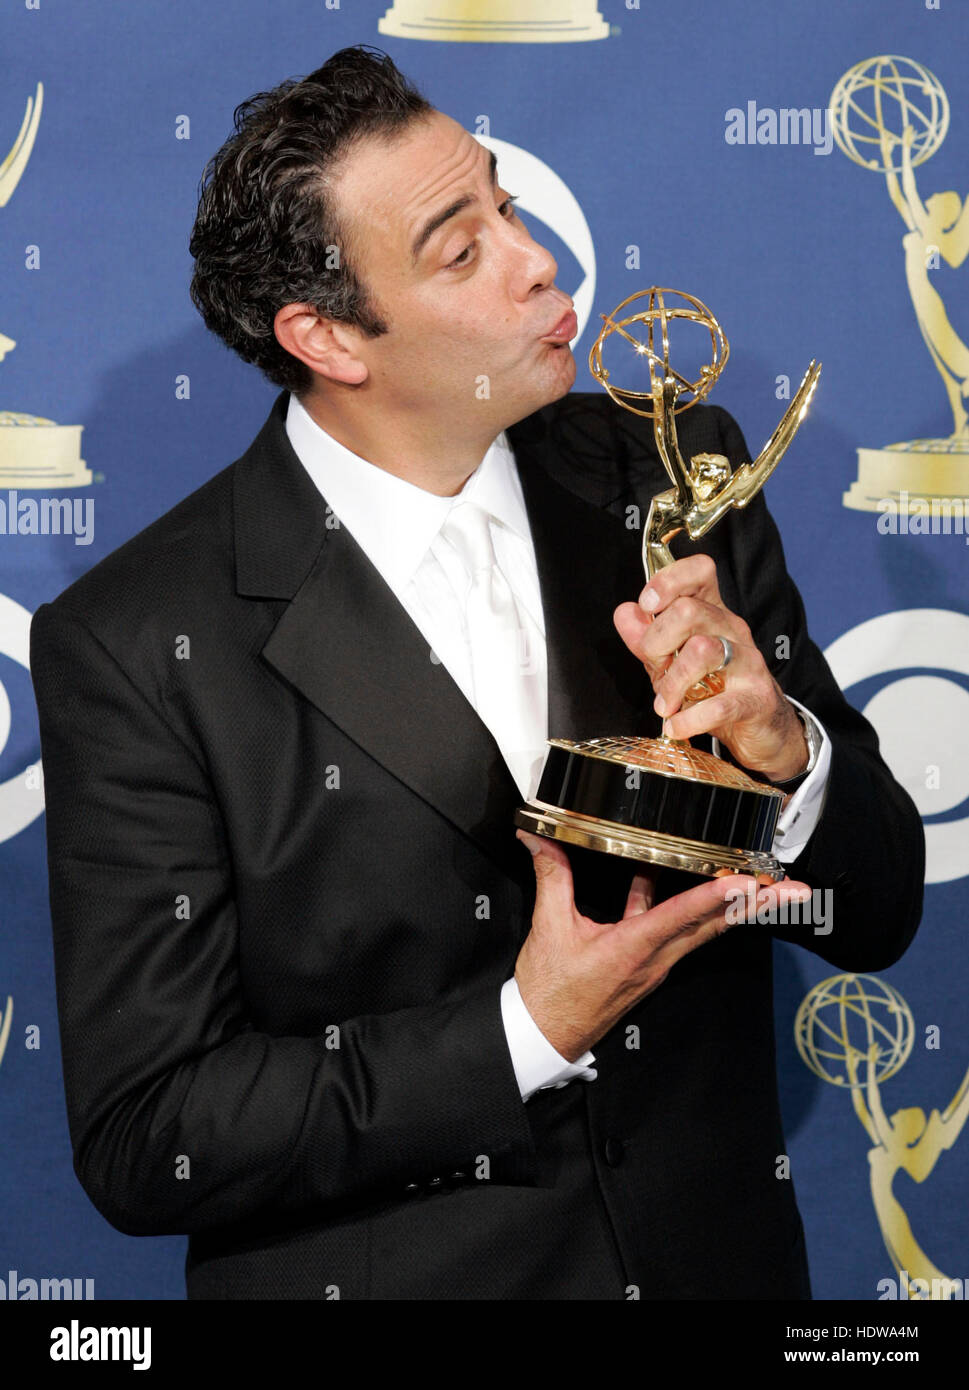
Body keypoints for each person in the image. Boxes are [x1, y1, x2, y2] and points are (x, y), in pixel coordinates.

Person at [30, 45, 924, 1300]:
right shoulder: (138, 644)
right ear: (328, 336)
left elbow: (880, 911)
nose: (536, 258)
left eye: (505, 202)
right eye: (463, 250)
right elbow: (150, 1135)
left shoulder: (673, 479)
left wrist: (791, 754)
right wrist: (523, 1032)